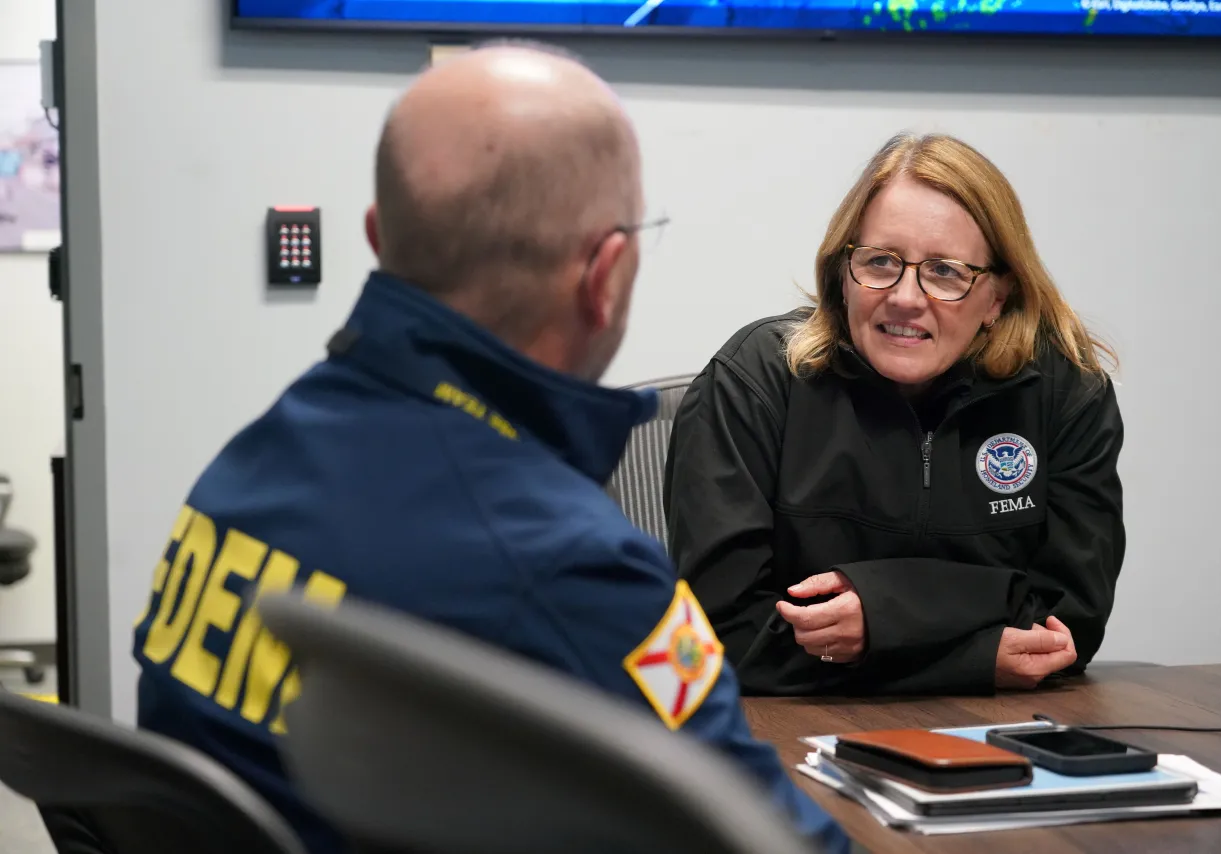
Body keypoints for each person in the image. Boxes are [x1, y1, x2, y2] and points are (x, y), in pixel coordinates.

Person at [128, 43, 851, 854]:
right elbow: (771, 841)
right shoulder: (574, 564)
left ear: (378, 237)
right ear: (604, 274)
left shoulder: (257, 456)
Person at [665, 132, 1124, 698]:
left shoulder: (1064, 392)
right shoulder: (754, 380)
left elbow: (1066, 627)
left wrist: (885, 610)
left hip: (996, 740)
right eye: (880, 262)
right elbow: (720, 637)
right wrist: (973, 655)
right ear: (842, 273)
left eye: (946, 272)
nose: (906, 296)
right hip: (784, 741)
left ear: (997, 299)